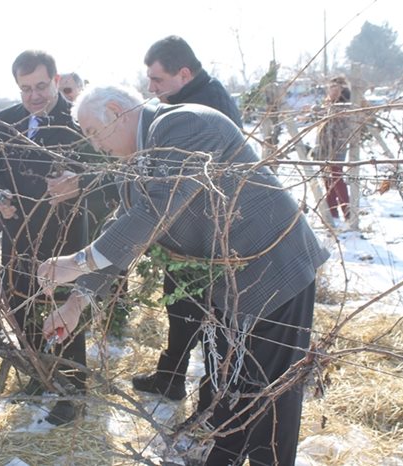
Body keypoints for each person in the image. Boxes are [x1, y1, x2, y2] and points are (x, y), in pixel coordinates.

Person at [37, 85, 329, 465]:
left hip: (275, 271)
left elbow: (157, 210)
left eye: (93, 132)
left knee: (268, 398)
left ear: (116, 110)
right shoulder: (139, 163)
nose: (93, 145)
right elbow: (126, 233)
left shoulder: (183, 124)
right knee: (231, 387)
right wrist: (77, 302)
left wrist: (76, 261)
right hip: (233, 284)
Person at [132, 34, 244, 401]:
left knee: (209, 317)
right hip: (194, 231)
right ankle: (171, 378)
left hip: (208, 235)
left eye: (157, 79)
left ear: (183, 73)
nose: (151, 87)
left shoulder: (202, 108)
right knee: (181, 306)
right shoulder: (194, 96)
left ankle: (211, 402)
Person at [0, 50, 89, 425]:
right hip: (17, 237)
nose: (33, 96)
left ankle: (70, 391)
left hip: (63, 240)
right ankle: (37, 373)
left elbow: (108, 173)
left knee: (63, 314)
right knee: (20, 307)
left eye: (39, 86)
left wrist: (79, 184)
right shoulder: (7, 122)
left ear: (56, 79)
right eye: (24, 88)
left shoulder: (80, 121)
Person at [144, 35, 242, 127]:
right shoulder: (207, 92)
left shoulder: (198, 116)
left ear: (184, 75)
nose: (150, 88)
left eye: (157, 80)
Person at [315, 75, 353, 225]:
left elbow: (339, 123)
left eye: (334, 87)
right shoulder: (329, 104)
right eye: (330, 88)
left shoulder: (345, 104)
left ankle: (347, 212)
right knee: (327, 178)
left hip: (337, 145)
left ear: (341, 88)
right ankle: (332, 212)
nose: (331, 91)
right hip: (324, 147)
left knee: (336, 177)